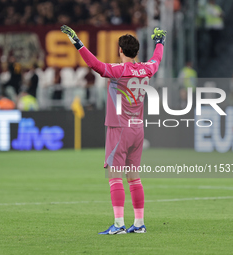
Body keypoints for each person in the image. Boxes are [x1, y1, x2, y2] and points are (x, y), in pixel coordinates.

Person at [61, 25, 165, 234]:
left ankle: (118, 224)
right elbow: (157, 59)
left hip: (119, 129)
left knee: (114, 176)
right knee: (134, 177)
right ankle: (139, 223)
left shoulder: (119, 71)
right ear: (135, 52)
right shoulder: (147, 69)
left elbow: (95, 65)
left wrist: (77, 42)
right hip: (138, 129)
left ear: (120, 50)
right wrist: (160, 42)